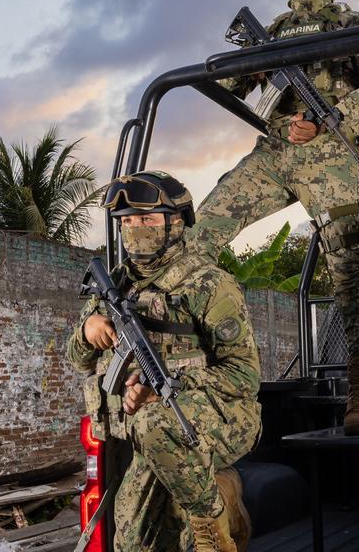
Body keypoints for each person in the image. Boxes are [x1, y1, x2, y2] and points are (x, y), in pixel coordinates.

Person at [188, 0, 359, 434]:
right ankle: (194, 356)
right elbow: (231, 85)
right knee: (201, 232)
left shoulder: (351, 21)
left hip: (331, 153)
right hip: (275, 150)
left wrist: (329, 118)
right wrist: (244, 64)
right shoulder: (272, 31)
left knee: (347, 263)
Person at [66, 171, 260, 552]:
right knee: (133, 539)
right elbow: (78, 360)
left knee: (156, 419)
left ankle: (213, 523)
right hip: (149, 435)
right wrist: (87, 331)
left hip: (223, 417)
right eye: (128, 221)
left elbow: (245, 376)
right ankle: (214, 490)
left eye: (147, 219)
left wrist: (168, 389)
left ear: (176, 223)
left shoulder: (208, 284)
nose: (136, 228)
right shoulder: (114, 283)